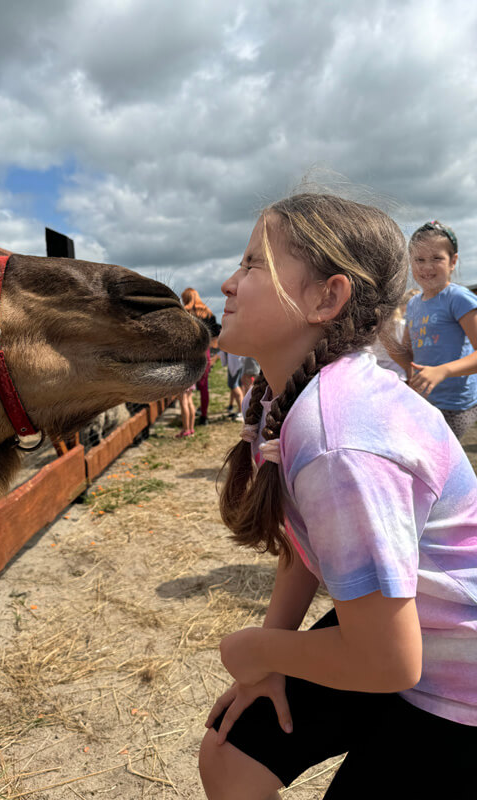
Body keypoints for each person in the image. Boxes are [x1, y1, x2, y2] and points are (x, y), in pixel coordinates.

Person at [198, 195, 477, 799]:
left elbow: (388, 663)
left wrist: (254, 647)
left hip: (461, 684)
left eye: (252, 265)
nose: (228, 282)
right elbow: (308, 545)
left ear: (326, 299)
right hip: (404, 632)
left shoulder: (339, 440)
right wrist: (268, 662)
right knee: (229, 756)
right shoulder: (291, 402)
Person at [391, 221, 477, 440]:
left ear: (453, 261)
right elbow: (407, 355)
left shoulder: (457, 298)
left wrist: (442, 371)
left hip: (455, 405)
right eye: (419, 260)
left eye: (436, 258)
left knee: (436, 456)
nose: (427, 267)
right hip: (426, 399)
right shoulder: (413, 304)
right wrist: (381, 333)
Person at [181, 288, 222, 425]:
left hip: (189, 354)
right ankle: (204, 416)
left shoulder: (184, 312)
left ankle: (187, 421)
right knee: (204, 387)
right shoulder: (208, 313)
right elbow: (216, 334)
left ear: (185, 298)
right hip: (205, 352)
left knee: (185, 390)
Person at [219, 350, 245, 421]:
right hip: (239, 361)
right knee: (238, 385)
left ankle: (241, 411)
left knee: (234, 386)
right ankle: (237, 408)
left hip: (235, 363)